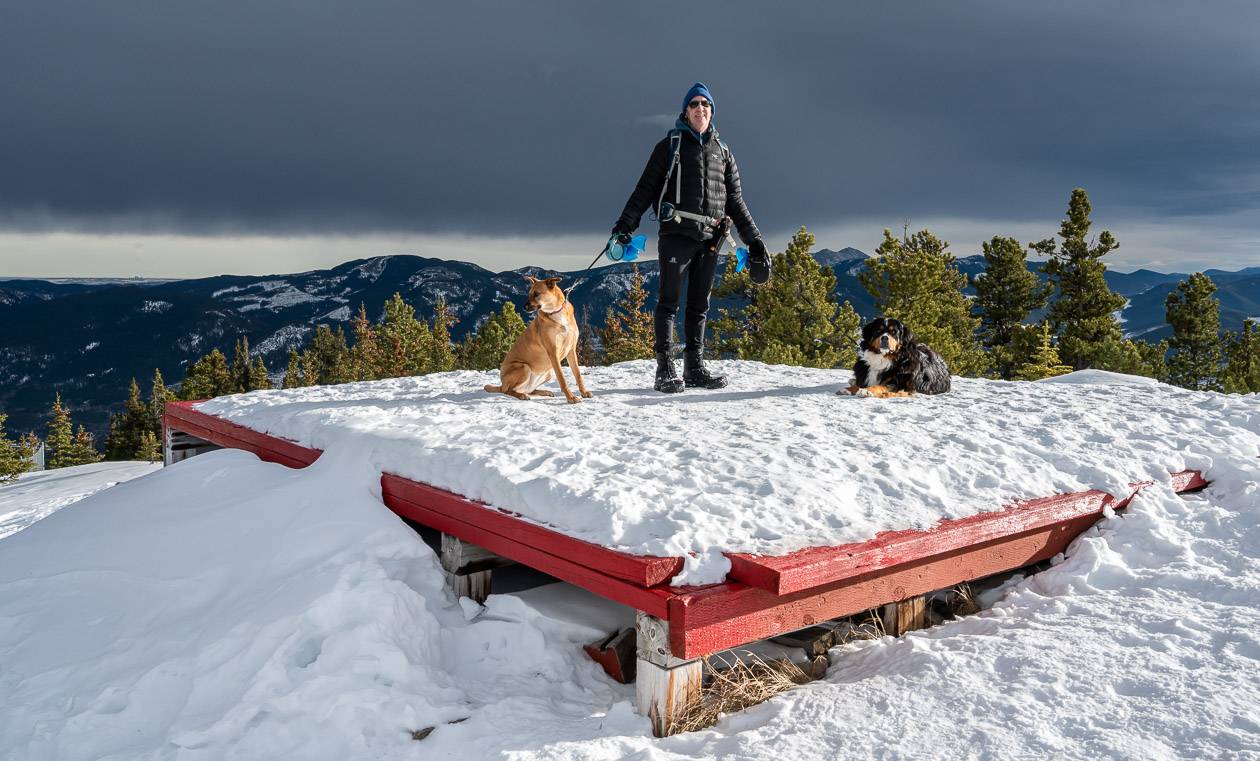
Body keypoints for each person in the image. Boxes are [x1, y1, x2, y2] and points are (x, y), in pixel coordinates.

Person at [611, 82, 770, 393]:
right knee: (669, 302)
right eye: (694, 104)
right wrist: (624, 226)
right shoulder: (669, 146)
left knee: (699, 305)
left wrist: (755, 241)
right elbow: (645, 190)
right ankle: (665, 369)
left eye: (705, 105)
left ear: (712, 112)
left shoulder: (723, 152)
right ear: (685, 111)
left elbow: (735, 201)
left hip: (712, 238)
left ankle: (694, 367)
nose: (700, 109)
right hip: (676, 235)